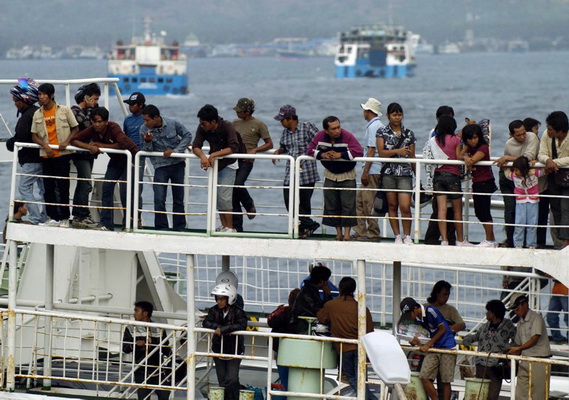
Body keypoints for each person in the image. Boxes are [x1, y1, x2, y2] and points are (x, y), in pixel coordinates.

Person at [71, 107, 139, 231]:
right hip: (116, 160)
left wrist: (102, 145)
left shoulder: (114, 127)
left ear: (106, 121)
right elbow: (74, 140)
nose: (97, 124)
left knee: (126, 192)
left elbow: (123, 145)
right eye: (94, 121)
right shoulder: (92, 129)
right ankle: (106, 224)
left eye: (100, 121)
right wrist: (89, 147)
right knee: (106, 188)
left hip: (130, 159)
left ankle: (129, 225)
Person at [317, 277, 376, 400]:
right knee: (361, 380)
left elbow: (321, 317)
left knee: (352, 379)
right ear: (354, 290)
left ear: (340, 289)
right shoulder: (362, 308)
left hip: (344, 348)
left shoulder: (331, 305)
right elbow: (370, 331)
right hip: (361, 349)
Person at [307, 116, 363, 241]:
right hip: (330, 174)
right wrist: (322, 154)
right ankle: (338, 233)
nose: (337, 130)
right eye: (334, 128)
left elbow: (358, 151)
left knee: (348, 205)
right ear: (326, 130)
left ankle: (347, 234)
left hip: (347, 174)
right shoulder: (320, 137)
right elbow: (309, 150)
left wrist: (340, 155)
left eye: (338, 127)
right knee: (332, 204)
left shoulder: (347, 136)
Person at [31, 83, 79, 227]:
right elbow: (34, 135)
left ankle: (64, 217)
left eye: (44, 94)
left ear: (51, 95)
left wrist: (66, 141)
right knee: (48, 188)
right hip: (47, 156)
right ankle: (52, 217)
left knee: (63, 187)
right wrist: (45, 146)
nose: (41, 97)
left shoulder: (64, 110)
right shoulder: (37, 113)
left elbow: (75, 128)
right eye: (39, 94)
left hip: (63, 155)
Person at [141, 104, 192, 231]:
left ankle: (179, 227)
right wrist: (147, 141)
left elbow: (187, 136)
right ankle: (161, 227)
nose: (145, 123)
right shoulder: (143, 129)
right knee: (159, 198)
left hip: (177, 164)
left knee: (178, 198)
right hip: (160, 166)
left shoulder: (173, 123)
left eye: (147, 120)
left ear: (156, 117)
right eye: (144, 120)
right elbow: (147, 151)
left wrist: (175, 151)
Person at [273, 105, 320, 239]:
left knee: (305, 204)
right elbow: (284, 146)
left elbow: (320, 141)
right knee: (289, 200)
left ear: (290, 119)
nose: (281, 123)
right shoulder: (285, 133)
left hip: (307, 172)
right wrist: (279, 151)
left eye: (282, 120)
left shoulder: (307, 127)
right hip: (291, 172)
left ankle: (305, 228)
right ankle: (311, 224)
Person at [193, 104, 241, 233]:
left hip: (229, 163)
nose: (202, 126)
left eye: (204, 124)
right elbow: (196, 145)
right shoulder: (202, 127)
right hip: (215, 165)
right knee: (217, 195)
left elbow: (233, 147)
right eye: (201, 124)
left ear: (213, 121)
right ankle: (224, 225)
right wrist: (203, 156)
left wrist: (213, 155)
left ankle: (230, 227)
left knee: (224, 195)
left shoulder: (227, 126)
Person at [6, 78, 47, 225]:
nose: (15, 103)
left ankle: (36, 218)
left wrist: (10, 143)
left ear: (24, 100)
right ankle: (45, 216)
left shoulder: (27, 116)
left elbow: (21, 137)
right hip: (43, 157)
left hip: (31, 159)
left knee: (24, 188)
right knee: (43, 190)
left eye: (16, 100)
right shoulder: (38, 112)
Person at [399, 297, 457, 400]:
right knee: (424, 376)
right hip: (433, 346)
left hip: (447, 345)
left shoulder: (431, 311)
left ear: (416, 308)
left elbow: (442, 329)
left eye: (410, 314)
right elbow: (421, 334)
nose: (410, 317)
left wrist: (427, 344)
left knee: (445, 380)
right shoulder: (416, 319)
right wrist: (414, 341)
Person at [495, 120, 540, 247]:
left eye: (523, 133)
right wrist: (509, 164)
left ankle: (531, 244)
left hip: (528, 179)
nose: (522, 137)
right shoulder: (509, 144)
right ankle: (511, 242)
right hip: (511, 177)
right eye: (518, 135)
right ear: (511, 135)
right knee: (510, 210)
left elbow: (528, 157)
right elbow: (507, 167)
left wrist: (508, 158)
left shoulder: (532, 137)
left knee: (532, 219)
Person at [427, 115, 471, 246]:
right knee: (457, 211)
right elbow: (458, 156)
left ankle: (444, 240)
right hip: (453, 176)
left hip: (438, 176)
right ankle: (460, 240)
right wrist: (467, 150)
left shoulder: (434, 140)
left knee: (441, 210)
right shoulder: (456, 139)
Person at [376, 102, 416, 244]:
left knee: (405, 206)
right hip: (388, 172)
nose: (397, 118)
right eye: (394, 114)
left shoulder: (409, 133)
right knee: (392, 205)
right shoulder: (382, 132)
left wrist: (417, 176)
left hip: (405, 173)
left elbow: (412, 156)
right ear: (388, 116)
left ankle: (408, 235)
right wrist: (397, 151)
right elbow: (381, 153)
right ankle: (397, 235)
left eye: (399, 114)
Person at [231, 98, 273, 232]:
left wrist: (255, 149)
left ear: (247, 112)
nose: (237, 113)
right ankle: (237, 226)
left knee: (237, 184)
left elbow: (269, 144)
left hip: (247, 160)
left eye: (239, 111)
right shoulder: (235, 123)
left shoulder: (259, 124)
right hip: (233, 159)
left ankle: (249, 205)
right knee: (232, 191)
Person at [462, 300, 516, 400]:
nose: (486, 313)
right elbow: (477, 336)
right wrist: (467, 339)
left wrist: (505, 349)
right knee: (479, 394)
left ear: (494, 313)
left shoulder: (508, 326)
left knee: (492, 395)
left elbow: (516, 341)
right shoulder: (485, 326)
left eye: (488, 311)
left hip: (496, 367)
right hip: (481, 364)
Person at [202, 283, 247, 400]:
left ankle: (234, 395)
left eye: (222, 299)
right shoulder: (213, 310)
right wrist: (217, 327)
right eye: (217, 299)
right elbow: (206, 322)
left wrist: (223, 329)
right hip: (218, 348)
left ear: (230, 298)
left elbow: (242, 324)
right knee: (221, 379)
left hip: (234, 350)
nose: (219, 302)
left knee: (232, 378)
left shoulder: (238, 311)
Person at [122, 301, 171, 400]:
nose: (134, 314)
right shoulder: (130, 328)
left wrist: (173, 356)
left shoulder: (159, 329)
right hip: (141, 370)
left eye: (136, 311)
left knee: (164, 395)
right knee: (143, 397)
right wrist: (135, 345)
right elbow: (125, 348)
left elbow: (165, 347)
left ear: (145, 313)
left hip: (158, 369)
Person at [507, 293, 551, 400]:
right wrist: (511, 357)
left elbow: (534, 340)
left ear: (525, 304)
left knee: (539, 395)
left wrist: (518, 349)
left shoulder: (536, 318)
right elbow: (518, 343)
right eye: (514, 310)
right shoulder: (520, 323)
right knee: (520, 394)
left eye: (517, 309)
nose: (515, 312)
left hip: (540, 361)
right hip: (525, 360)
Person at [460, 124, 498, 247]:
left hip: (485, 182)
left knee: (484, 212)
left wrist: (467, 158)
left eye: (475, 137)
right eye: (470, 138)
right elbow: (458, 155)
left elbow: (472, 161)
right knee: (479, 212)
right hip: (477, 182)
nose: (473, 141)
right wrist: (465, 155)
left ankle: (489, 240)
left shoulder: (483, 148)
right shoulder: (469, 147)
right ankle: (492, 240)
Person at [423, 105, 457, 245]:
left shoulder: (443, 135)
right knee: (440, 209)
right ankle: (435, 238)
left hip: (439, 176)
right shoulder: (436, 134)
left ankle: (447, 238)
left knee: (444, 209)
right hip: (442, 174)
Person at [352, 98, 384, 242]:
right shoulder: (378, 125)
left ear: (369, 111)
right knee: (360, 201)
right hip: (374, 168)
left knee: (367, 202)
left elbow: (371, 149)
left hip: (372, 169)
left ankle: (372, 233)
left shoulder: (373, 127)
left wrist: (365, 170)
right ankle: (361, 231)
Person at [70, 83, 101, 228]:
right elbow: (90, 124)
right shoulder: (75, 111)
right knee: (86, 183)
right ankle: (81, 214)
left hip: (88, 153)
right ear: (86, 97)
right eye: (93, 99)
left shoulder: (90, 111)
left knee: (84, 183)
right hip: (80, 153)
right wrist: (92, 109)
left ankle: (79, 213)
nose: (95, 102)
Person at [537, 111, 569, 249]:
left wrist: (554, 162)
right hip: (554, 178)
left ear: (560, 130)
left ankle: (566, 241)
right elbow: (541, 154)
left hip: (566, 177)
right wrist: (548, 160)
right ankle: (559, 244)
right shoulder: (547, 135)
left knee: (565, 208)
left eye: (550, 129)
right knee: (555, 209)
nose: (547, 131)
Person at [504, 156, 547, 248]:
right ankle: (518, 244)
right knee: (519, 223)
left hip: (533, 201)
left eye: (516, 170)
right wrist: (507, 160)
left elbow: (545, 170)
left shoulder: (534, 173)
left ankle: (531, 244)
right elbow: (506, 172)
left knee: (532, 223)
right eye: (514, 170)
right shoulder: (514, 176)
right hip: (520, 201)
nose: (515, 172)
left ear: (524, 169)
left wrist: (537, 162)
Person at [267, 288, 301, 394]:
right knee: (295, 382)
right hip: (300, 352)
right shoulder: (304, 314)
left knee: (285, 381)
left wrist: (279, 309)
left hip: (282, 350)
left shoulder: (283, 312)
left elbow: (270, 321)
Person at [123, 92, 147, 219]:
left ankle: (137, 218)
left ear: (141, 105)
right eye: (129, 104)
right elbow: (125, 136)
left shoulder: (147, 118)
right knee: (125, 188)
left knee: (136, 189)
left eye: (132, 105)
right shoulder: (127, 119)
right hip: (128, 156)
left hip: (140, 157)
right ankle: (127, 217)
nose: (130, 107)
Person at [292, 264, 333, 334]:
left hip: (306, 325)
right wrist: (327, 294)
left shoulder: (311, 290)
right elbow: (319, 311)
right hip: (302, 327)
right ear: (322, 281)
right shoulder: (307, 293)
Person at [546, 280, 568, 344]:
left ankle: (559, 339)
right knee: (551, 317)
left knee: (567, 318)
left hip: (564, 291)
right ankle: (558, 339)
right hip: (557, 291)